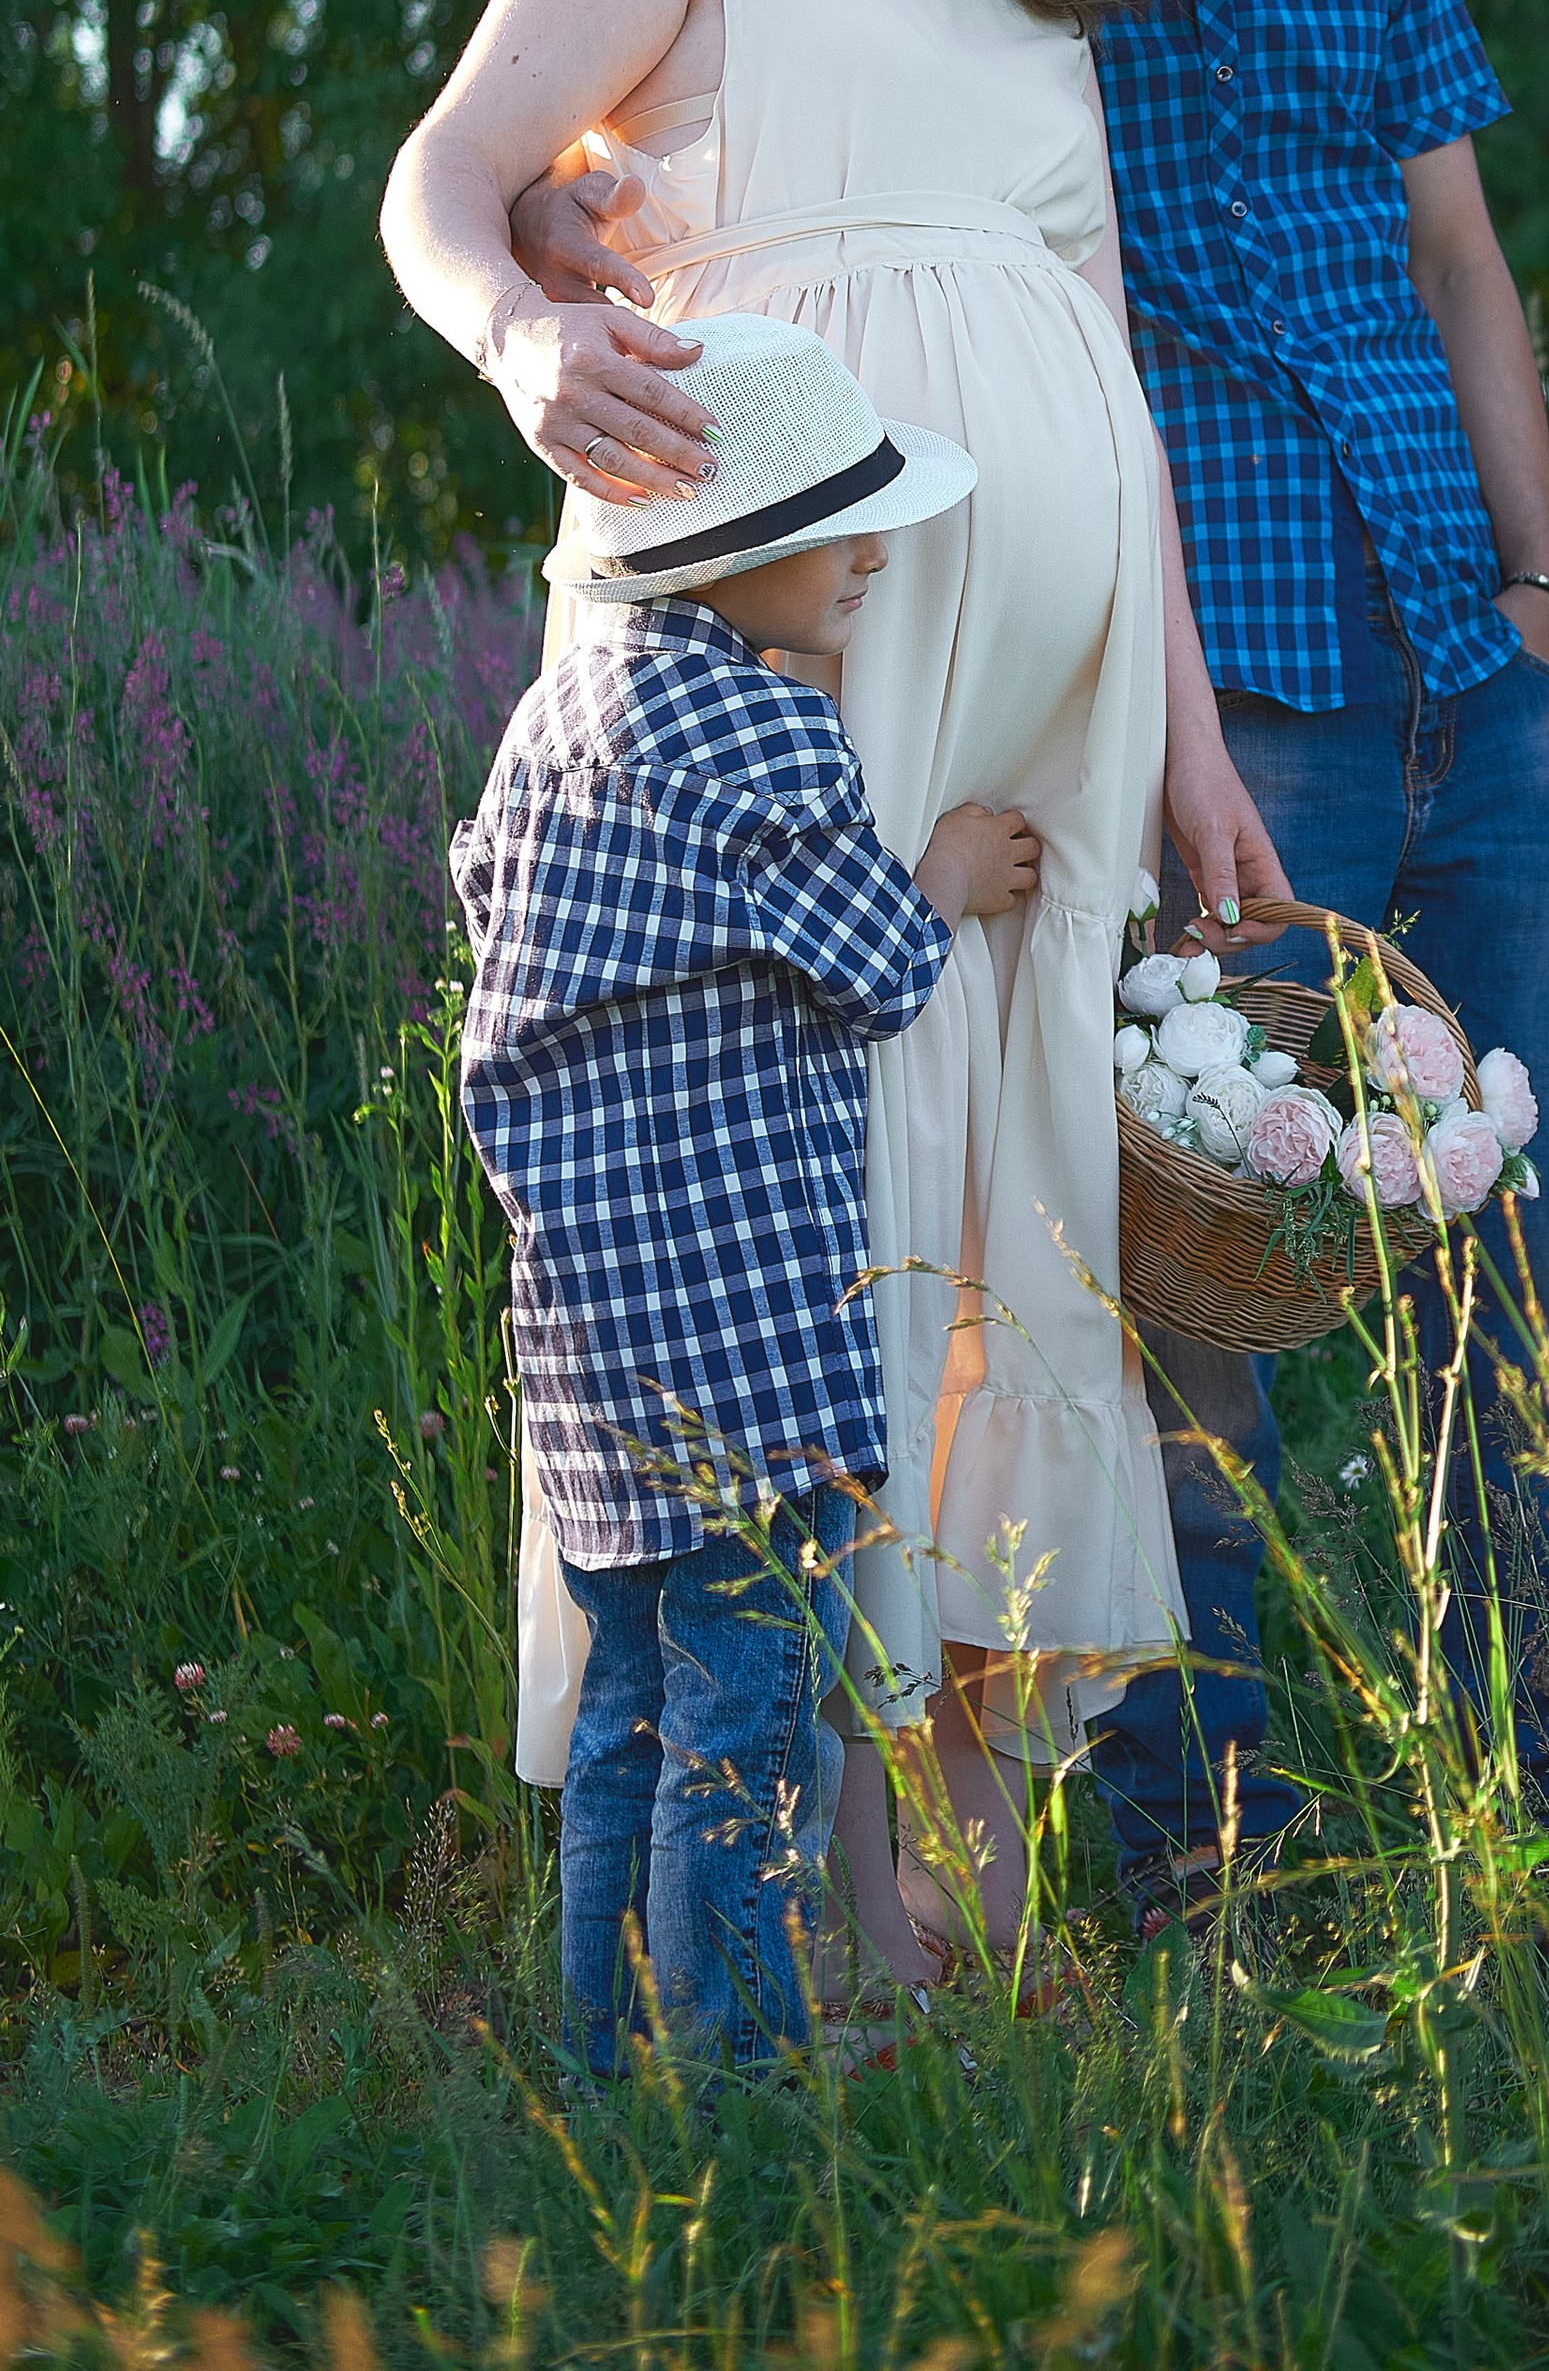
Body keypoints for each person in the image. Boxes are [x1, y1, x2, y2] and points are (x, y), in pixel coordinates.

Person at [511, 0, 1549, 1919]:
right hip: (990, 664)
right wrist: (555, 266)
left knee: (1349, 1266)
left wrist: (1497, 608)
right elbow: (589, 147)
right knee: (1046, 1247)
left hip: (1288, 661)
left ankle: (1492, 1833)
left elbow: (1371, 283)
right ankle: (1135, 1845)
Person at [383, 0, 1295, 1987]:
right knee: (809, 1207)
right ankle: (774, 1912)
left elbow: (1106, 395)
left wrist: (1191, 744)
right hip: (784, 666)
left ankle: (948, 1930)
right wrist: (513, 342)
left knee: (1013, 1243)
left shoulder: (1035, 33)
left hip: (1050, 748)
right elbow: (448, 171)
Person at [1086, 0, 1549, 1906]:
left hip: (1455, 666)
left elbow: (1467, 269)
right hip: (1233, 697)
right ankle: (1211, 1853)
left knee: (1519, 1257)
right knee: (1225, 1265)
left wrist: (1537, 585)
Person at [448, 315, 1020, 2070]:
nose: (867, 560)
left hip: (587, 1328)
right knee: (753, 1722)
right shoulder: (769, 736)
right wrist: (946, 870)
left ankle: (601, 2058)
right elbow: (879, 970)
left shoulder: (561, 715)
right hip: (742, 1322)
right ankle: (747, 2074)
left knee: (627, 1709)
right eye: (837, 527)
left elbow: (489, 899)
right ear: (728, 553)